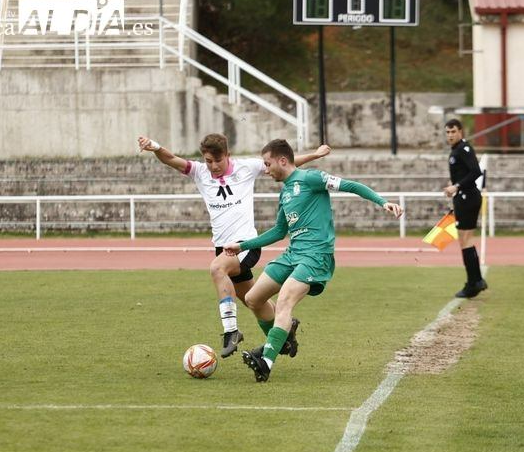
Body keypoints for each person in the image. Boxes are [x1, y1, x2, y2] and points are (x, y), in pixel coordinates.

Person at [222, 138, 403, 382]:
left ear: (282, 160)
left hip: (316, 255)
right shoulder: (285, 191)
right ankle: (284, 340)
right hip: (293, 254)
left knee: (285, 301)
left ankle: (266, 361)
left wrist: (383, 202)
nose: (265, 169)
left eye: (267, 163)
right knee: (253, 299)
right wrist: (242, 246)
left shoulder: (311, 179)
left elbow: (351, 185)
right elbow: (278, 232)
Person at [137, 133, 331, 358]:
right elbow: (170, 158)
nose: (213, 166)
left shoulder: (245, 167)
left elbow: (283, 162)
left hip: (245, 244)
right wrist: (155, 146)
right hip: (223, 247)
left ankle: (231, 331)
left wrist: (315, 155)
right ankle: (286, 336)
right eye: (209, 161)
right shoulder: (200, 172)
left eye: (217, 161)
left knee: (217, 268)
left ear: (227, 155)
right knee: (253, 300)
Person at [442, 118, 487, 298]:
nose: (450, 135)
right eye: (448, 132)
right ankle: (476, 280)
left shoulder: (464, 149)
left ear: (461, 131)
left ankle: (473, 283)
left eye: (453, 131)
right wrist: (454, 185)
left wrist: (457, 186)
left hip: (467, 197)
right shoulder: (456, 150)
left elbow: (476, 171)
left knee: (465, 240)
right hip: (464, 197)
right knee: (465, 240)